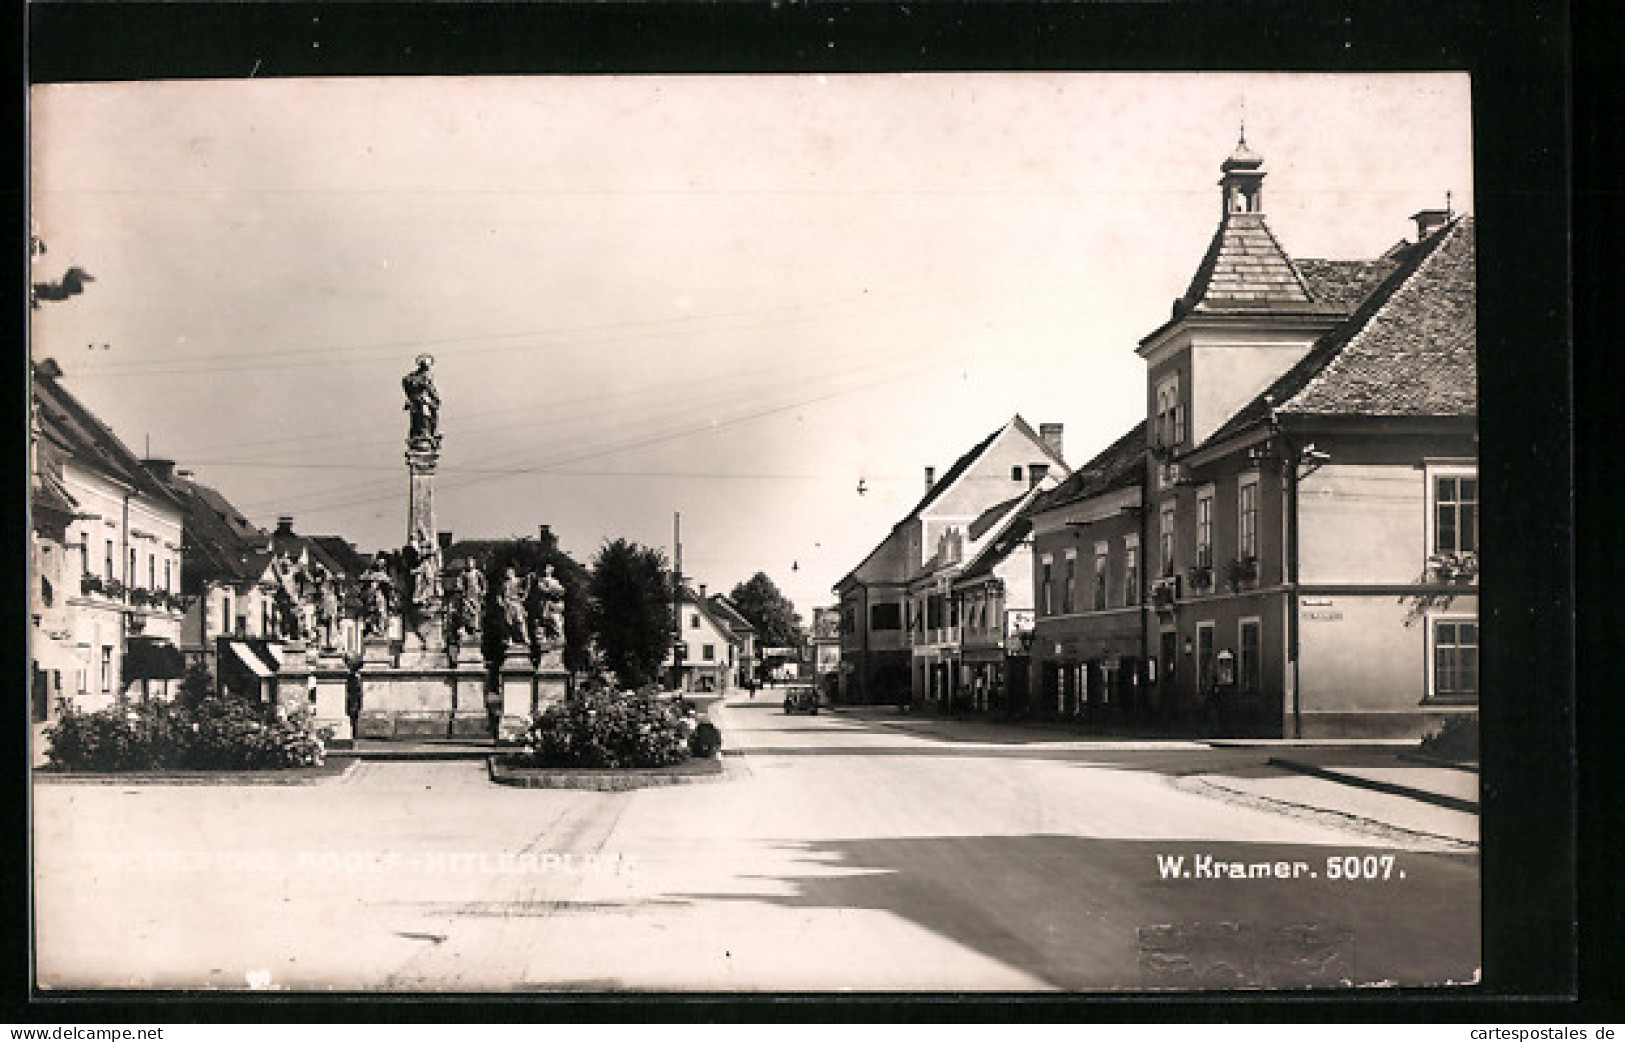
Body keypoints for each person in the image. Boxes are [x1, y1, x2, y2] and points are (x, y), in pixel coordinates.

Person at [402, 354, 440, 443]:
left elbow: (406, 383)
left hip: (416, 401)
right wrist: (435, 398)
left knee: (418, 418)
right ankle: (427, 433)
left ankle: (424, 434)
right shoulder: (423, 376)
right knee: (427, 415)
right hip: (421, 401)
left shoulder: (413, 376)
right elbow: (430, 388)